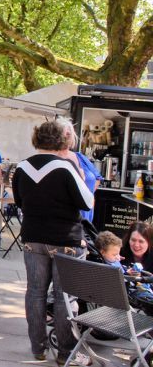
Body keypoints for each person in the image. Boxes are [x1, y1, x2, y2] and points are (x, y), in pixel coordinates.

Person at [12, 121, 94, 366]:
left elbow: (18, 201)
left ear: (36, 139)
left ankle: (38, 347)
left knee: (35, 293)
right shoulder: (66, 167)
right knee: (64, 298)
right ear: (61, 140)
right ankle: (65, 352)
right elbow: (87, 202)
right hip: (65, 239)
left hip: (33, 238)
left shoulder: (21, 167)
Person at [57, 118, 102, 223]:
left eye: (70, 133)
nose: (67, 136)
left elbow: (97, 178)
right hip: (63, 218)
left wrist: (87, 195)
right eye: (65, 133)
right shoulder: (52, 158)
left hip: (85, 216)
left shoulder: (80, 157)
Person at [97, 230, 153, 303]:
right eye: (115, 254)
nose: (117, 257)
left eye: (118, 254)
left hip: (135, 284)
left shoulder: (111, 259)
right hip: (130, 290)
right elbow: (117, 280)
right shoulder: (106, 267)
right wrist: (127, 273)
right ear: (103, 252)